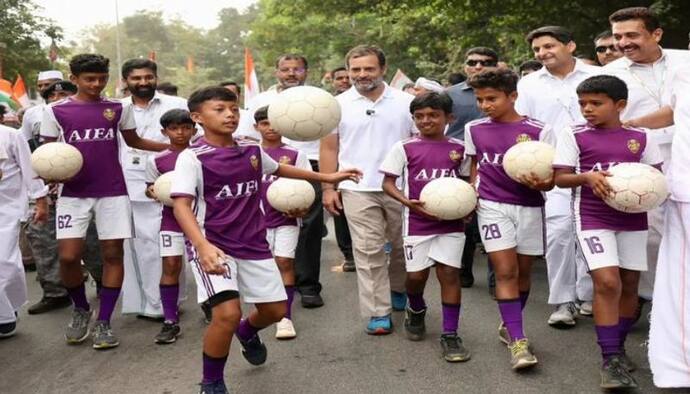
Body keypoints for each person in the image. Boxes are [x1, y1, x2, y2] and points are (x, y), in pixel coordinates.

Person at [169, 86, 359, 393]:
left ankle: (248, 332)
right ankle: (212, 382)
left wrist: (327, 178)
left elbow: (280, 168)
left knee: (274, 311)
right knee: (226, 314)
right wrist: (202, 247)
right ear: (197, 117)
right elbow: (180, 205)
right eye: (219, 109)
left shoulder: (251, 150)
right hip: (215, 247)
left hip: (254, 245)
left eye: (233, 108)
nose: (229, 114)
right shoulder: (193, 158)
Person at [40, 53, 169, 349]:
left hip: (113, 191)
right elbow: (48, 155)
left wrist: (173, 147)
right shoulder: (56, 111)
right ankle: (81, 309)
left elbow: (134, 141)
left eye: (101, 78)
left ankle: (104, 321)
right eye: (89, 79)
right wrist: (47, 175)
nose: (96, 84)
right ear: (73, 79)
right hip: (73, 193)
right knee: (69, 257)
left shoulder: (116, 108)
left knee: (113, 255)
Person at [553, 75, 662, 389]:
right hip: (592, 216)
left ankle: (619, 346)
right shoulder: (573, 135)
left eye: (596, 103)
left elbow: (655, 177)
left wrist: (643, 189)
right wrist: (587, 177)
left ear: (620, 105)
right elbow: (560, 178)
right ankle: (610, 358)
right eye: (583, 103)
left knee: (630, 285)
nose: (587, 109)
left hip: (633, 219)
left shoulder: (641, 137)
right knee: (607, 282)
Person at [604, 6, 690, 319]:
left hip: (684, 154)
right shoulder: (610, 73)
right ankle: (652, 299)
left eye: (631, 34)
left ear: (656, 34)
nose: (623, 42)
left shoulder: (685, 61)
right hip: (641, 162)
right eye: (617, 36)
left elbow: (673, 108)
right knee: (651, 233)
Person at [321, 45, 414, 334]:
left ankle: (398, 287)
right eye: (356, 69)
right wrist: (328, 187)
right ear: (348, 71)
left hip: (401, 187)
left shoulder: (404, 102)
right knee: (368, 249)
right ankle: (378, 311)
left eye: (369, 69)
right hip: (356, 188)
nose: (362, 75)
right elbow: (328, 147)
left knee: (402, 246)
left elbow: (418, 143)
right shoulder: (334, 106)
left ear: (383, 69)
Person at [465, 69, 554, 370]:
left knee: (523, 272)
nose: (485, 105)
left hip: (529, 206)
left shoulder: (540, 130)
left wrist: (545, 184)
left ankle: (508, 324)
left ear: (512, 96)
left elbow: (552, 176)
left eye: (492, 98)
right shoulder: (474, 128)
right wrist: (471, 196)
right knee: (505, 271)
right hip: (491, 205)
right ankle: (518, 341)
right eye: (479, 99)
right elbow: (475, 166)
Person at [516, 26, 600, 325]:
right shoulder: (529, 84)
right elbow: (522, 125)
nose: (542, 53)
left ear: (571, 45)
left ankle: (588, 296)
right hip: (552, 170)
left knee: (590, 234)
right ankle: (564, 303)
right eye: (537, 50)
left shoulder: (594, 77)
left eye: (549, 46)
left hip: (595, 166)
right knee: (559, 234)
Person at [380, 91, 471, 362]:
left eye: (433, 115)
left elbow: (466, 181)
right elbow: (388, 183)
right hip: (417, 222)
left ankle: (450, 334)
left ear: (448, 118)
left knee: (449, 275)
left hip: (451, 225)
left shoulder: (460, 148)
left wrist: (465, 206)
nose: (426, 120)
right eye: (419, 116)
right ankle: (416, 308)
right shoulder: (404, 147)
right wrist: (407, 202)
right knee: (417, 277)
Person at [625, 67, 690, 388]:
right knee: (680, 279)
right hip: (684, 190)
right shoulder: (684, 72)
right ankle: (679, 366)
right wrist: (633, 123)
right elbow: (673, 111)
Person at [247, 54, 326, 308]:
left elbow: (332, 137)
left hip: (307, 166)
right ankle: (270, 290)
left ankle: (309, 285)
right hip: (267, 167)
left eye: (297, 69)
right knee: (268, 231)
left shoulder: (319, 98)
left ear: (306, 71)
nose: (291, 73)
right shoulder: (261, 101)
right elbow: (247, 135)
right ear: (276, 72)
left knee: (308, 229)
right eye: (285, 69)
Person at [119, 59, 189, 319]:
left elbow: (193, 139)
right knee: (145, 245)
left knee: (176, 243)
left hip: (175, 182)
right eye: (136, 78)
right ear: (126, 80)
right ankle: (155, 303)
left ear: (156, 77)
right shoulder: (117, 109)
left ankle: (176, 298)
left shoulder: (177, 105)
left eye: (148, 77)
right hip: (134, 185)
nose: (143, 82)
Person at [254, 105, 311, 339]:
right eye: (265, 123)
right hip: (255, 221)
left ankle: (285, 317)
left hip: (286, 219)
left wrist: (303, 208)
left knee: (285, 262)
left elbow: (307, 187)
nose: (270, 128)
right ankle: (262, 310)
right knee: (263, 267)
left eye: (274, 122)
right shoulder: (249, 153)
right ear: (256, 126)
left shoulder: (296, 155)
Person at [446, 46, 499, 289]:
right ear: (465, 66)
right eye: (473, 62)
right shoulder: (450, 95)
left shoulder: (506, 92)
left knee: (493, 223)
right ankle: (463, 272)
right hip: (460, 166)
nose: (478, 67)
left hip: (495, 165)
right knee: (463, 222)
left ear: (495, 66)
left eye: (485, 62)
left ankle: (496, 281)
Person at [144, 108, 196, 344]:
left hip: (201, 219)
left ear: (194, 129)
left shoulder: (202, 154)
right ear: (165, 131)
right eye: (174, 128)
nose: (180, 132)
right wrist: (152, 191)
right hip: (171, 219)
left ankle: (211, 306)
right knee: (171, 264)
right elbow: (150, 187)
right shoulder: (156, 159)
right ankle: (170, 321)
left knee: (204, 266)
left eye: (186, 127)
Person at [0, 120, 48, 337]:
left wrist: (40, 200)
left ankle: (10, 305)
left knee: (5, 261)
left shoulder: (10, 135)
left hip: (6, 210)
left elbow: (30, 170)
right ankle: (4, 316)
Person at [330, 67, 355, 271]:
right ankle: (349, 255)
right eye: (340, 78)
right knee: (340, 211)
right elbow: (328, 146)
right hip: (337, 168)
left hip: (363, 169)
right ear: (333, 81)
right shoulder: (329, 105)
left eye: (348, 77)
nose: (344, 81)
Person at [20, 70, 63, 149]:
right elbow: (25, 140)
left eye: (47, 85)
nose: (42, 88)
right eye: (40, 86)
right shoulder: (31, 113)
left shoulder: (72, 108)